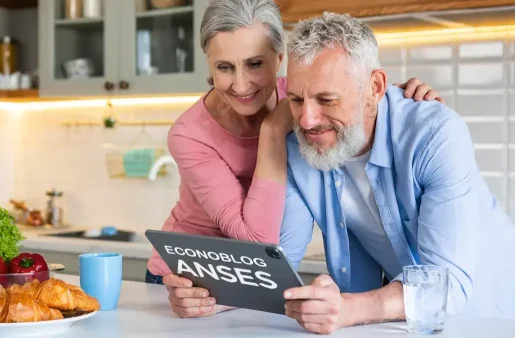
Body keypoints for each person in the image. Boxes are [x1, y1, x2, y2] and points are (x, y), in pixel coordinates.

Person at [147, 0, 442, 318]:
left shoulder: (303, 97)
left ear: (280, 58)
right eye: (224, 67)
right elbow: (257, 241)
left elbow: (355, 94)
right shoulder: (190, 135)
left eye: (255, 64)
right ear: (208, 64)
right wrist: (272, 131)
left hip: (255, 279)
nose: (242, 84)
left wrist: (401, 97)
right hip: (191, 284)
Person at [274, 13, 515, 334]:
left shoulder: (434, 133)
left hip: (491, 299)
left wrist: (350, 307)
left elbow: (448, 283)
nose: (306, 119)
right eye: (296, 99)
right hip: (405, 310)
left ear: (374, 87)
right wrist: (212, 297)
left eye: (327, 99)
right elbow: (279, 263)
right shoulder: (300, 146)